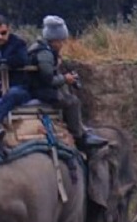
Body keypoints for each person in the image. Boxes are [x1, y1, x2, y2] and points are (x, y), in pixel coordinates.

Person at [27, 15, 107, 150]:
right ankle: (79, 137)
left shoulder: (44, 49)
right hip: (39, 91)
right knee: (72, 102)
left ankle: (81, 127)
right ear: (54, 39)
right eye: (61, 41)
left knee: (67, 94)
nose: (62, 44)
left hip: (39, 87)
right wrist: (65, 79)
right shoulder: (44, 54)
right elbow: (47, 79)